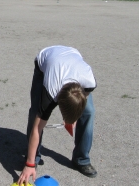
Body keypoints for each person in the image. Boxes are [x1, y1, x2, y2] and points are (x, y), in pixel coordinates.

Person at [17, 45, 97, 185]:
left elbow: (81, 103)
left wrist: (72, 118)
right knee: (36, 114)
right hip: (47, 59)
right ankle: (33, 158)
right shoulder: (50, 91)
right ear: (58, 102)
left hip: (72, 57)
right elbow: (37, 128)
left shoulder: (89, 81)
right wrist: (29, 164)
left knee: (89, 112)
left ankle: (81, 159)